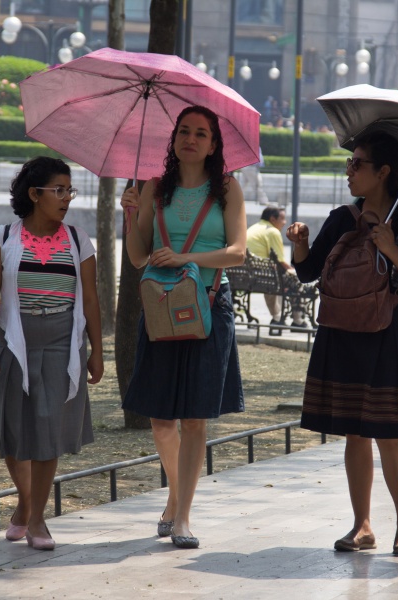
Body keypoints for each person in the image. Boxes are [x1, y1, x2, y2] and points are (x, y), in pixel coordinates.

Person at [286, 131, 398, 556]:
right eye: (349, 163)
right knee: (354, 433)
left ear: (384, 172)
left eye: (357, 164)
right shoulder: (342, 217)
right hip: (344, 330)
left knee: (390, 434)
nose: (349, 170)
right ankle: (362, 526)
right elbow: (308, 272)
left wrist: (392, 248)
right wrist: (300, 247)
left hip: (392, 332)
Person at [120, 105, 247, 549]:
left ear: (213, 145)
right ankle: (175, 494)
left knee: (194, 418)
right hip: (161, 306)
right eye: (184, 131)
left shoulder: (228, 189)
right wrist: (129, 213)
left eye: (201, 133)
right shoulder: (154, 189)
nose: (191, 139)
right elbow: (138, 256)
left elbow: (237, 253)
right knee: (160, 418)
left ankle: (183, 518)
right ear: (173, 140)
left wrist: (186, 258)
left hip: (210, 306)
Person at [0, 156, 104, 552]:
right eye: (58, 190)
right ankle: (27, 503)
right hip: (14, 341)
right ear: (35, 194)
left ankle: (37, 518)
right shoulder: (3, 238)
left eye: (70, 190)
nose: (66, 198)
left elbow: (92, 301)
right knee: (13, 432)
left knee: (48, 431)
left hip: (62, 342)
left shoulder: (79, 241)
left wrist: (97, 350)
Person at [246, 206, 307, 333]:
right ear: (272, 219)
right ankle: (298, 320)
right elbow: (280, 261)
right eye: (282, 219)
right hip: (263, 276)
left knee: (277, 280)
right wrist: (295, 272)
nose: (285, 222)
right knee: (297, 281)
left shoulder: (254, 228)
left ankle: (277, 317)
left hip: (247, 275)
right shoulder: (272, 231)